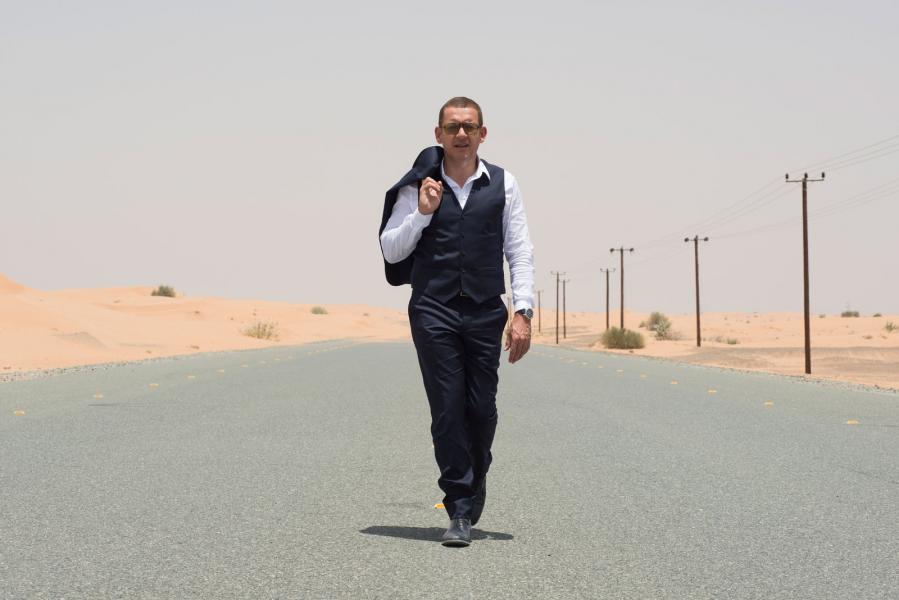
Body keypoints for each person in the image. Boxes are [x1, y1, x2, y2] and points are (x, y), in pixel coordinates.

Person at [379, 96, 535, 547]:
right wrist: (422, 213)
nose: (461, 134)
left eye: (469, 127)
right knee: (447, 410)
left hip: (485, 310)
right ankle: (459, 507)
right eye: (452, 127)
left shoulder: (504, 184)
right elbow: (391, 249)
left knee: (481, 409)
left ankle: (475, 476)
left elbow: (519, 251)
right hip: (434, 309)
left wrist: (522, 312)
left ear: (483, 134)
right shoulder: (418, 186)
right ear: (439, 134)